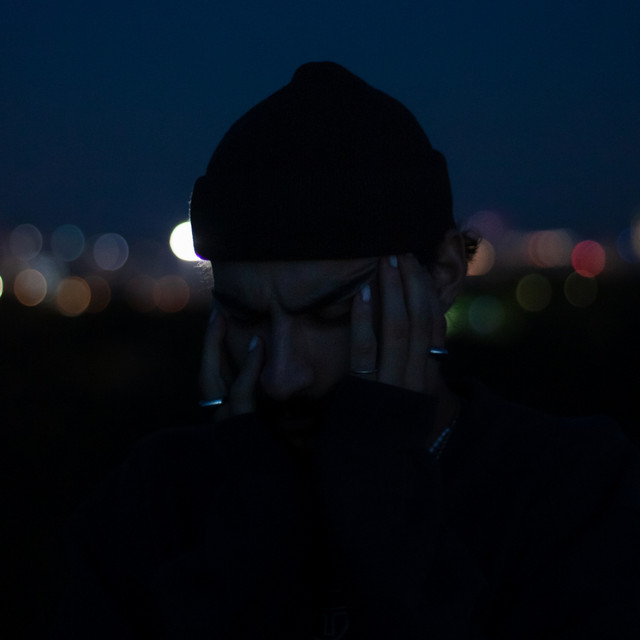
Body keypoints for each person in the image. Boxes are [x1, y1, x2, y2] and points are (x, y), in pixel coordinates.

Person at [51, 62, 640, 639]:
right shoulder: (150, 499)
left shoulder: (577, 491)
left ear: (442, 274)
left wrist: (382, 511)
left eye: (332, 315)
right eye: (246, 317)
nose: (282, 375)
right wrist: (246, 540)